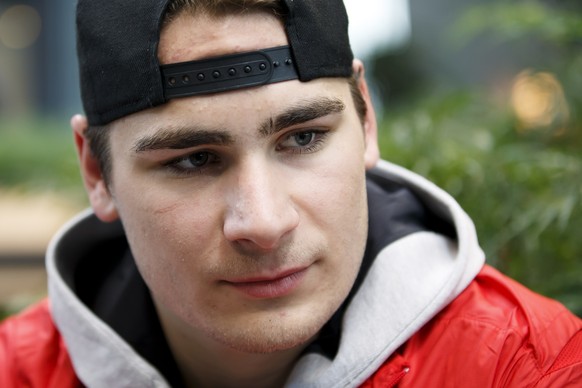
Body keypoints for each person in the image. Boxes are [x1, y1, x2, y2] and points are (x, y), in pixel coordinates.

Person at [1, 0, 581, 386]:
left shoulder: (527, 365)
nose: (264, 221)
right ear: (97, 174)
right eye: (194, 159)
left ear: (366, 120)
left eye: (302, 137)